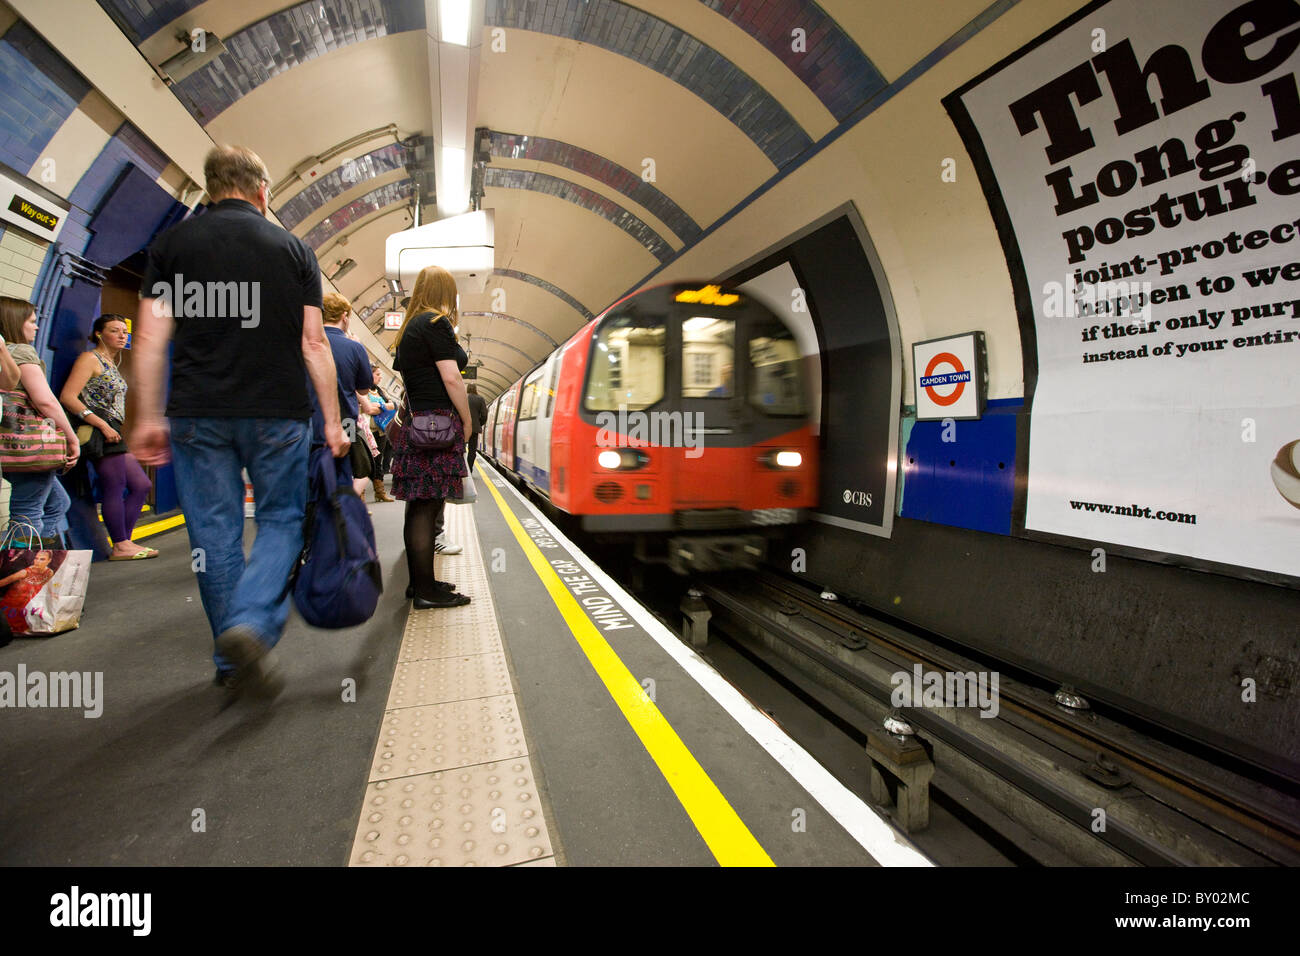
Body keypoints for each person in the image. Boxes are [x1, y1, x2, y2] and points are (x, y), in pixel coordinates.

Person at [130, 144, 348, 698]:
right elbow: (314, 343)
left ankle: (232, 660)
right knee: (279, 519)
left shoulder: (171, 245)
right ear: (262, 191)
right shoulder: (293, 249)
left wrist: (147, 415)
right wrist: (332, 422)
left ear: (208, 188)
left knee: (214, 535)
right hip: (278, 412)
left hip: (198, 414)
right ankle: (250, 625)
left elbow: (151, 341)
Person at [391, 264, 473, 608]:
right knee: (427, 506)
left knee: (420, 505)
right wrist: (466, 421)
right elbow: (452, 378)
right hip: (438, 425)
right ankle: (426, 591)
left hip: (419, 426)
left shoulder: (411, 326)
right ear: (443, 293)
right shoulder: (435, 323)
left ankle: (422, 583)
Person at [59, 314, 156, 560]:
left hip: (113, 430)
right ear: (100, 334)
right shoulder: (89, 359)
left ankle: (125, 540)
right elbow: (68, 397)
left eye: (125, 331)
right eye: (115, 331)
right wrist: (102, 425)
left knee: (142, 485)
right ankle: (121, 545)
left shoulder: (110, 362)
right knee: (115, 486)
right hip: (100, 430)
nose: (123, 335)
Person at [0, 298, 79, 544]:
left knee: (58, 503)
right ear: (14, 322)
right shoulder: (21, 352)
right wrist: (71, 437)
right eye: (32, 322)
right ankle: (24, 575)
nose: (35, 327)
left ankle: (40, 565)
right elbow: (46, 402)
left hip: (9, 445)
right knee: (27, 511)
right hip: (28, 445)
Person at [308, 293, 374, 503]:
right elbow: (364, 390)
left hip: (308, 422)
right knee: (341, 479)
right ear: (344, 316)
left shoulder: (306, 342)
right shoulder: (354, 348)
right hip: (344, 423)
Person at [367, 368, 397, 502]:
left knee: (378, 461)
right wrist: (383, 407)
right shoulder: (362, 391)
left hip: (381, 431)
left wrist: (378, 406)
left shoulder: (381, 391)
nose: (380, 377)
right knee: (365, 462)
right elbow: (367, 408)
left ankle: (379, 492)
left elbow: (393, 405)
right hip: (368, 431)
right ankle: (360, 494)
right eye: (377, 374)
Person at [465, 383, 487, 470]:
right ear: (475, 389)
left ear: (467, 389)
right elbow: (484, 415)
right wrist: (478, 423)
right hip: (474, 429)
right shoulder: (480, 399)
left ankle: (462, 469)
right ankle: (469, 469)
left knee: (460, 449)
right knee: (472, 451)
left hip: (462, 428)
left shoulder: (463, 397)